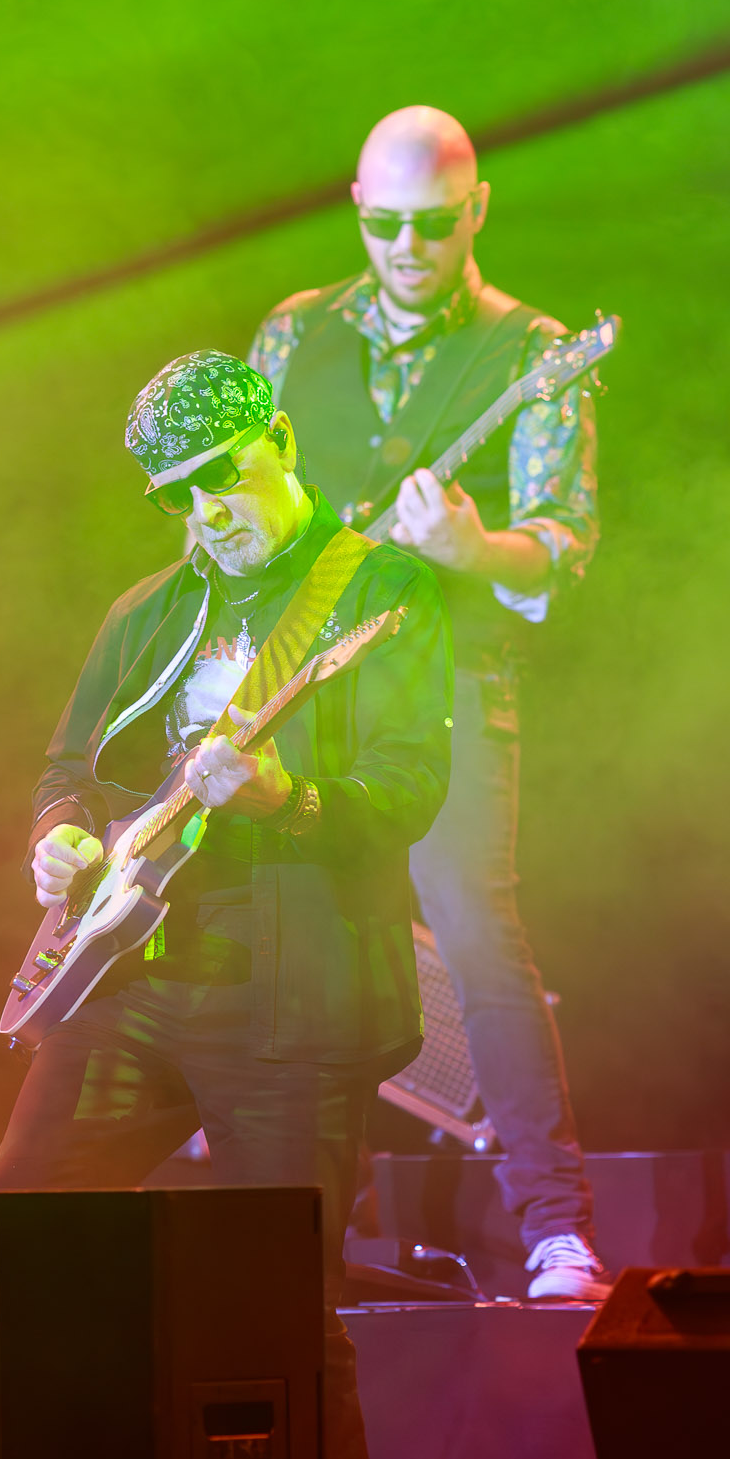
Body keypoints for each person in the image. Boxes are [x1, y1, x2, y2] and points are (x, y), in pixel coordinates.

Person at [0, 349, 453, 1459]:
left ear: (282, 442)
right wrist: (59, 839)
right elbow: (67, 768)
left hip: (293, 993)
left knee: (281, 1291)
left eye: (226, 476)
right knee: (29, 1220)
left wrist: (289, 797)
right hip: (133, 976)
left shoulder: (380, 587)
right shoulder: (146, 610)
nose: (209, 511)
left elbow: (410, 785)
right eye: (181, 493)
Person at [247, 104, 603, 1297]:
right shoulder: (292, 334)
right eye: (386, 225)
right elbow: (231, 513)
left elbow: (562, 544)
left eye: (435, 224)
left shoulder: (533, 351)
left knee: (476, 933)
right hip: (306, 691)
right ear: (358, 210)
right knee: (293, 938)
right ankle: (291, 1224)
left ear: (478, 209)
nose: (408, 248)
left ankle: (553, 1226)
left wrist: (470, 547)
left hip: (448, 684)